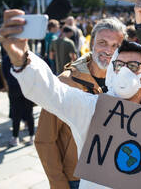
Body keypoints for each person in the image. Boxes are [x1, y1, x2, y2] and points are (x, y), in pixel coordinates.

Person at [0, 9, 141, 189]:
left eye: (132, 65)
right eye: (119, 64)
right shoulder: (94, 108)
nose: (123, 71)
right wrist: (23, 60)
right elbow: (54, 93)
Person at [35, 17, 126, 189]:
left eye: (116, 46)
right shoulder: (64, 83)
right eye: (103, 42)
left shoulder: (126, 85)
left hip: (113, 176)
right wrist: (59, 184)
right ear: (92, 43)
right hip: (76, 179)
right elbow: (44, 139)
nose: (109, 50)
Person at [1, 51, 35, 146]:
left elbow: (5, 74)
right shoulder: (26, 56)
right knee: (29, 112)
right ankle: (32, 136)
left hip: (14, 87)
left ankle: (15, 138)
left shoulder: (7, 58)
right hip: (26, 86)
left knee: (16, 113)